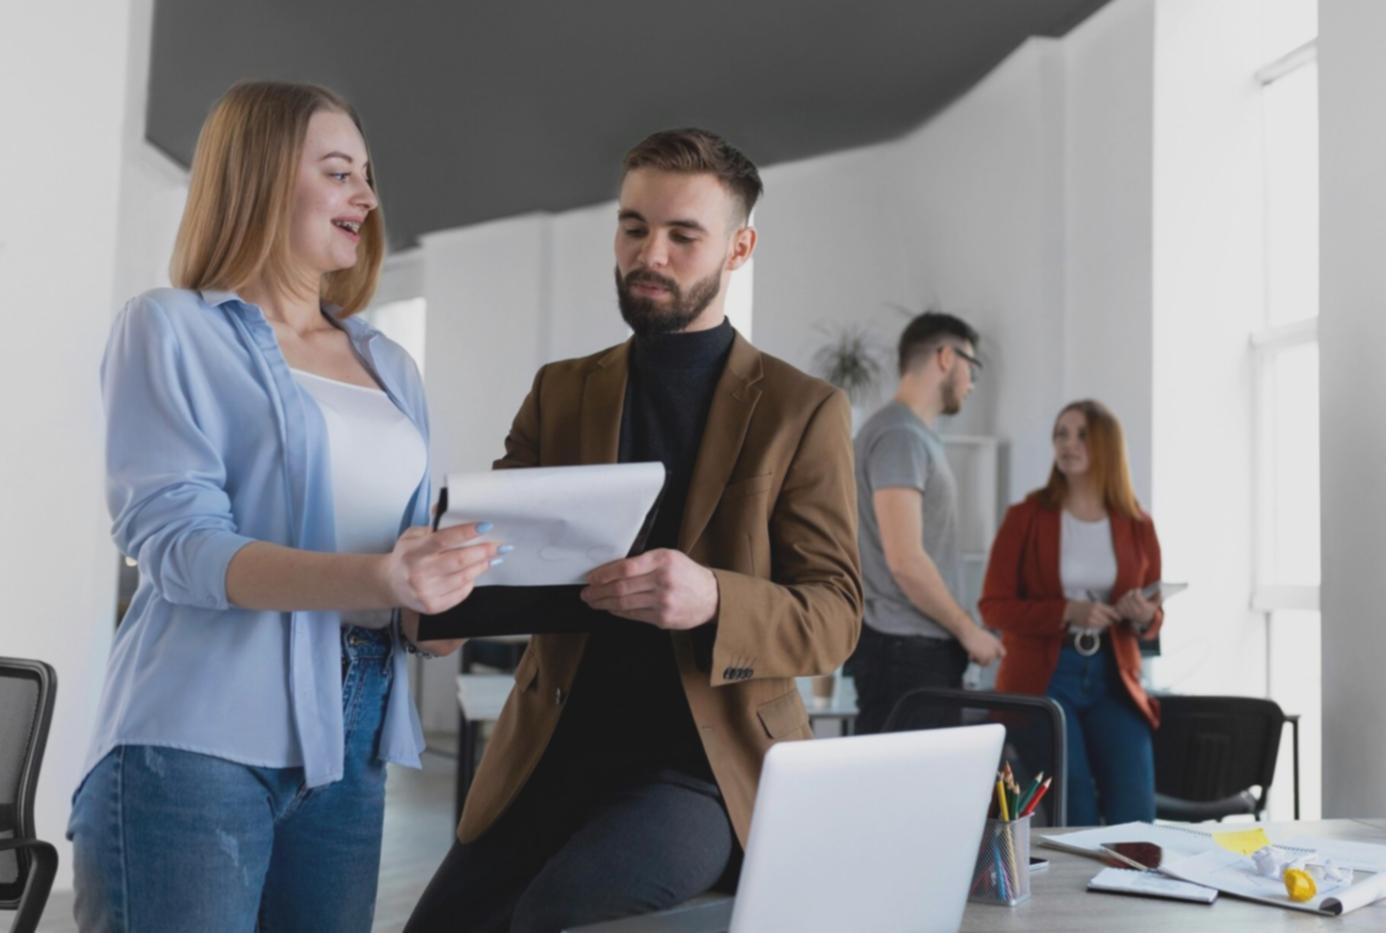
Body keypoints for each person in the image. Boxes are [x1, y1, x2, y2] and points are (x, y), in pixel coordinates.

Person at [406, 128, 863, 933]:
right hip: (551, 749)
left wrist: (712, 596)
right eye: (633, 227)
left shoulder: (802, 410)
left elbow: (834, 616)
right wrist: (430, 609)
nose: (649, 253)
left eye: (683, 234)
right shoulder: (561, 391)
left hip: (702, 769)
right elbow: (494, 548)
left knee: (559, 914)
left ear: (738, 246)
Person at [69, 81, 491, 933]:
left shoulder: (390, 365)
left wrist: (442, 603)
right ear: (259, 178)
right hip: (196, 739)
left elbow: (406, 570)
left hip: (354, 738)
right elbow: (179, 545)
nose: (366, 198)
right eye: (339, 173)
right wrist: (382, 574)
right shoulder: (170, 328)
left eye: (366, 177)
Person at [978, 399, 1163, 825]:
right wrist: (1066, 611)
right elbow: (993, 607)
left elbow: (1152, 621)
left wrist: (1140, 615)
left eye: (1082, 435)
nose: (1068, 443)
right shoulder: (1026, 517)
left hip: (1113, 676)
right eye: (1061, 433)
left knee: (1135, 810)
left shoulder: (1138, 524)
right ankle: (1074, 895)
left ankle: (1129, 893)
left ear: (1107, 446)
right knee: (1073, 808)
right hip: (1046, 676)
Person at [847, 312, 1005, 734]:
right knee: (902, 795)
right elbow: (906, 560)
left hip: (909, 652)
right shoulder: (901, 436)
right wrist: (968, 631)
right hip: (905, 655)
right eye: (971, 368)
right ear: (945, 358)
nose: (971, 384)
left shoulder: (908, 435)